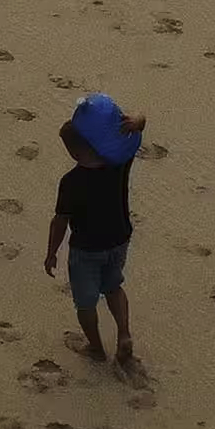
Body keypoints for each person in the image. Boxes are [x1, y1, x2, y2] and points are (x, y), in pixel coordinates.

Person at [43, 92, 147, 371]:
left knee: (85, 303)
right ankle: (124, 333)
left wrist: (51, 254)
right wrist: (137, 121)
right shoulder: (120, 164)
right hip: (118, 239)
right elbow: (140, 124)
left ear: (76, 152)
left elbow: (60, 223)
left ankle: (96, 348)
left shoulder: (70, 182)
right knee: (113, 286)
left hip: (86, 250)